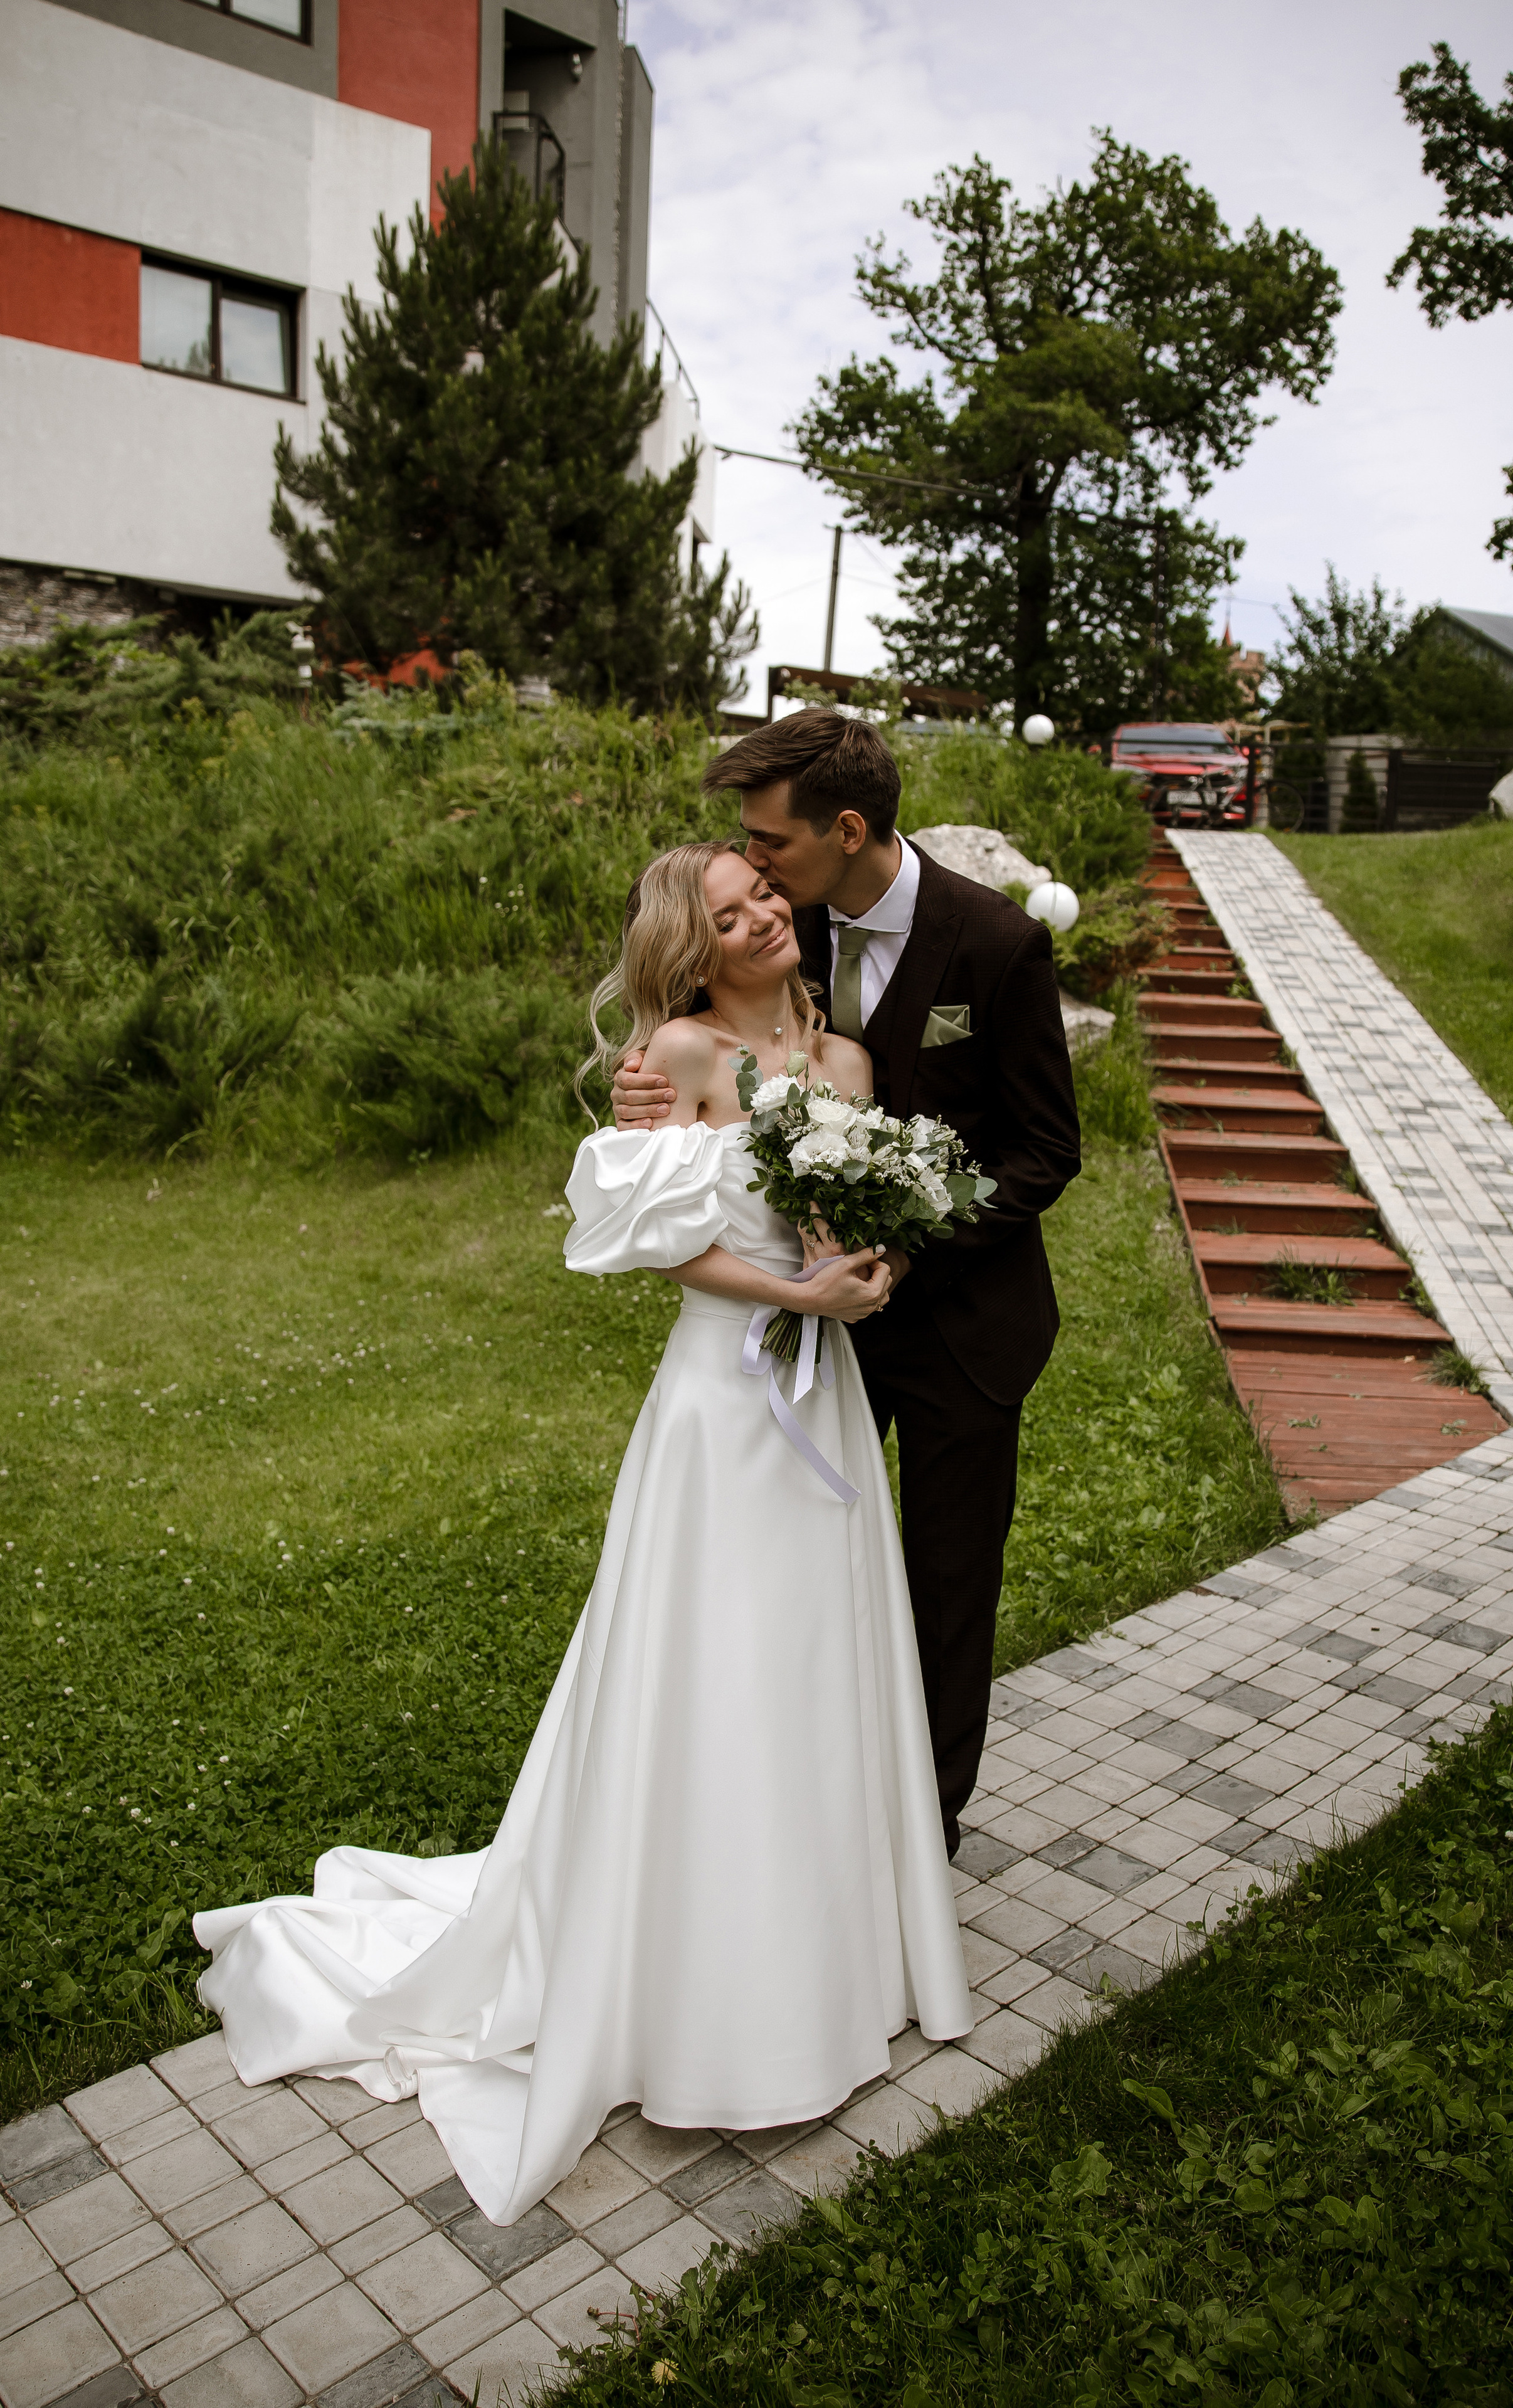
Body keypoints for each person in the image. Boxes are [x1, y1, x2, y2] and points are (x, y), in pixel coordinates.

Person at [192, 839, 973, 2228]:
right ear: (698, 946)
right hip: (720, 1402)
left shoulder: (845, 1067)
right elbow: (664, 1247)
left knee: (812, 1670)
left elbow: (870, 1211)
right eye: (728, 916)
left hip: (823, 1402)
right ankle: (693, 1992)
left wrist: (868, 1268)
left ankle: (828, 1967)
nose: (761, 921)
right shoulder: (671, 1057)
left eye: (764, 897)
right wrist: (797, 1300)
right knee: (710, 1673)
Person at [613, 710, 1082, 1857]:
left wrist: (911, 1239)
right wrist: (647, 1097)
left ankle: (923, 1835)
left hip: (968, 1324)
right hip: (812, 1336)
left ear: (848, 830)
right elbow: (703, 1007)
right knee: (804, 1565)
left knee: (943, 1584)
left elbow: (1043, 1152)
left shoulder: (997, 945)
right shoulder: (784, 926)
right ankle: (788, 1808)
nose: (756, 864)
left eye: (769, 840)